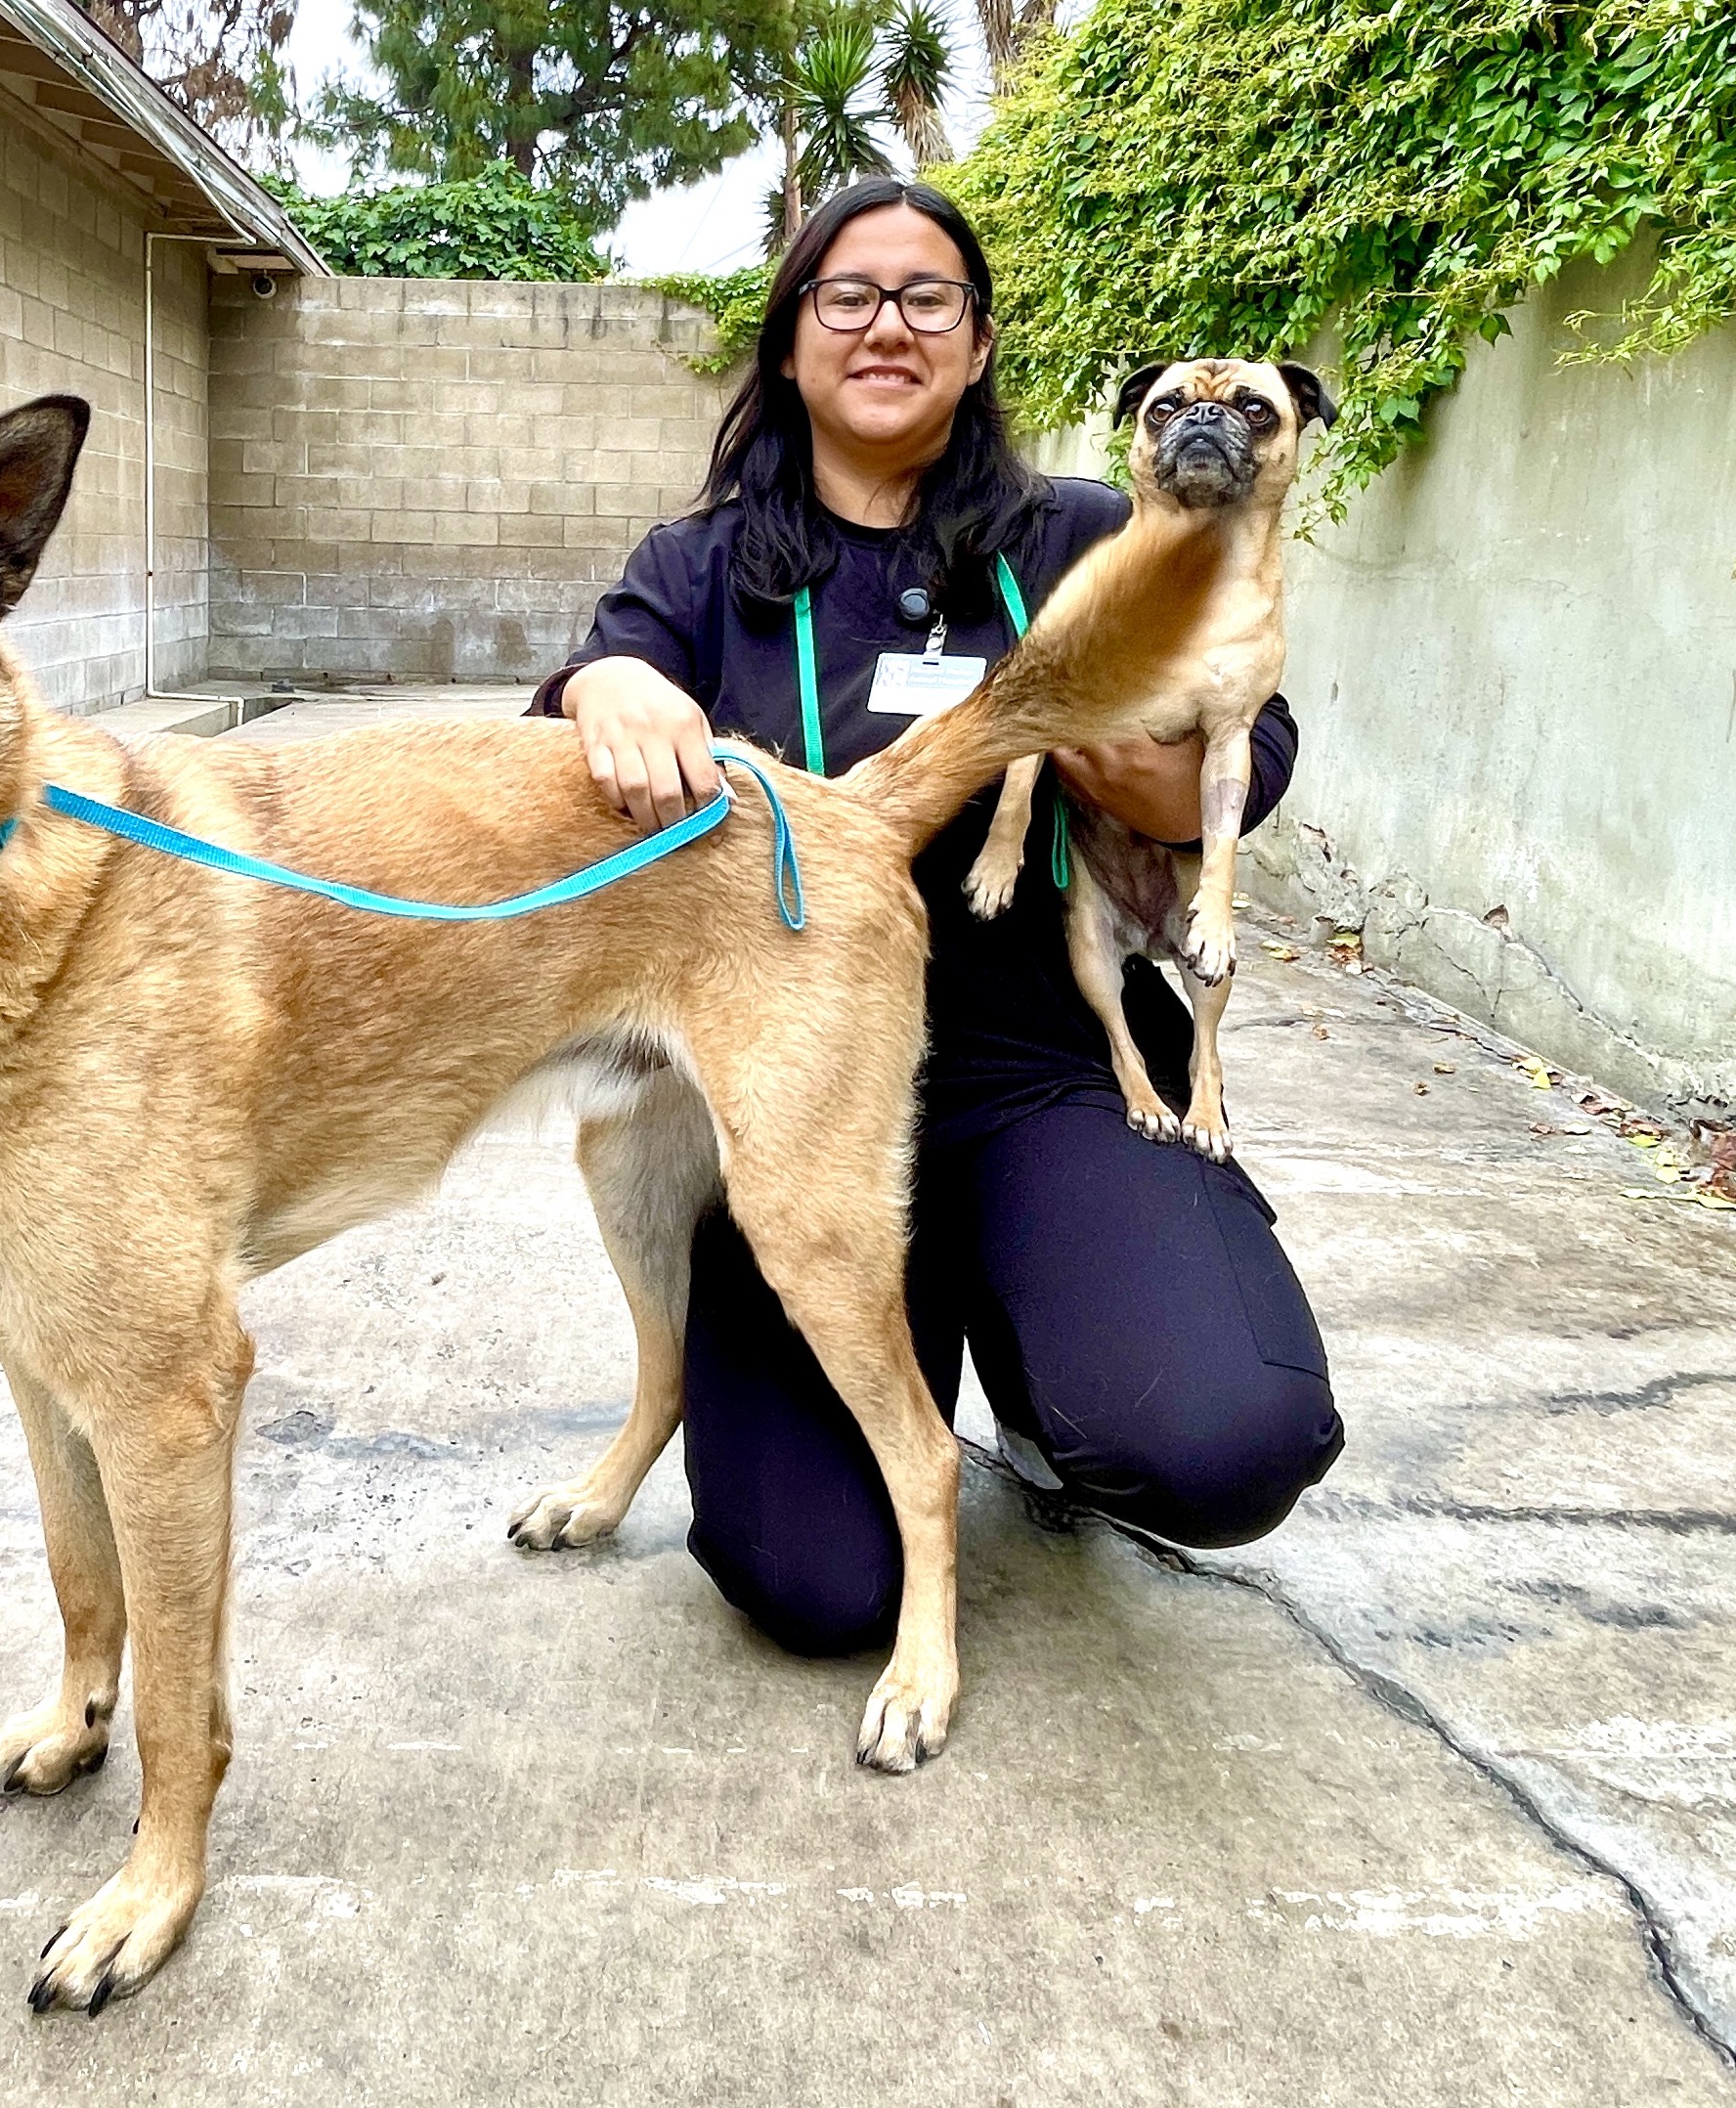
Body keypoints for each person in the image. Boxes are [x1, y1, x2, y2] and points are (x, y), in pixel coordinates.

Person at [533, 176, 1344, 1655]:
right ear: (789, 341)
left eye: (929, 297)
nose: (887, 323)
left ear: (975, 347)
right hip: (795, 1094)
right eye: (847, 294)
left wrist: (1147, 767)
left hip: (1038, 1059)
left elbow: (1256, 729)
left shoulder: (1095, 531)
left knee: (1219, 1441)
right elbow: (580, 704)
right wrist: (611, 683)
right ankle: (902, 1351)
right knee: (808, 1583)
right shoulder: (697, 565)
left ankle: (1047, 1368)